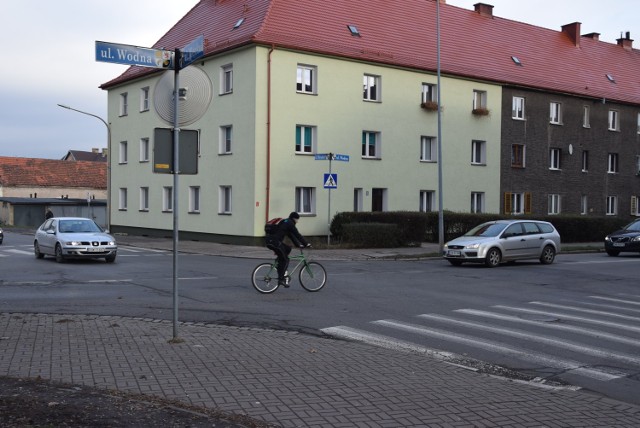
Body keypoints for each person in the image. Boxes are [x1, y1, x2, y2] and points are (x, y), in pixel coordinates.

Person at [265, 212, 310, 287]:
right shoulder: (290, 223)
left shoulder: (285, 222)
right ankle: (281, 279)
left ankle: (280, 265)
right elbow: (297, 235)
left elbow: (291, 236)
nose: (297, 222)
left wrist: (298, 245)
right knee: (285, 260)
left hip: (269, 241)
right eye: (297, 220)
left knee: (288, 248)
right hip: (275, 242)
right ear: (294, 219)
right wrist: (306, 244)